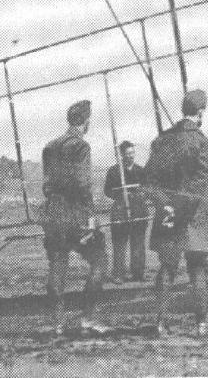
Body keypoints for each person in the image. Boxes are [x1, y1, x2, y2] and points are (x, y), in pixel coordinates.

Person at [142, 89, 208, 337]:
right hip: (193, 213)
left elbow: (148, 181)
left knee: (167, 266)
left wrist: (166, 204)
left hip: (167, 210)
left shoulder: (160, 140)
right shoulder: (202, 141)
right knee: (197, 266)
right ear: (200, 112)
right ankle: (202, 324)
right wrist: (182, 208)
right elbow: (199, 182)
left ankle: (160, 324)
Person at [39, 100, 111, 336]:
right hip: (75, 213)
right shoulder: (81, 146)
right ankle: (87, 318)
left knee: (57, 265)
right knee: (100, 260)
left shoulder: (50, 146)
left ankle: (57, 323)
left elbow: (47, 184)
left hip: (53, 213)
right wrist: (90, 215)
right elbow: (82, 184)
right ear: (86, 122)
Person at [104, 140, 148, 284]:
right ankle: (118, 274)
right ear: (121, 155)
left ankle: (138, 273)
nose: (131, 156)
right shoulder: (114, 171)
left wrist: (140, 194)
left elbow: (147, 188)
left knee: (138, 242)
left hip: (138, 210)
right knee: (120, 243)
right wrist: (121, 194)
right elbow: (107, 191)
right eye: (128, 153)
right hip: (120, 210)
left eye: (132, 153)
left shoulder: (140, 170)